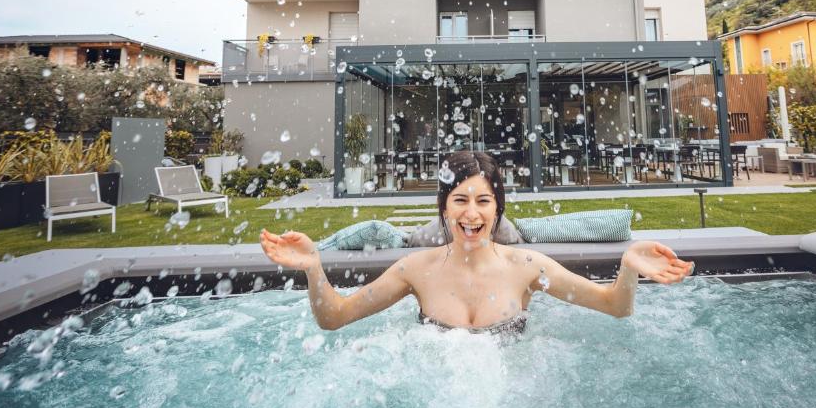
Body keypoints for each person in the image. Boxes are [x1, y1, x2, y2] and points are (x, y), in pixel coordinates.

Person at [260, 151, 694, 335]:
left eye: (484, 200)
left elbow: (614, 306)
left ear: (497, 208)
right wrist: (315, 267)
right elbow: (334, 317)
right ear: (444, 208)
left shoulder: (527, 266)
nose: (472, 213)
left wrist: (629, 266)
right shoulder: (416, 269)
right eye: (460, 200)